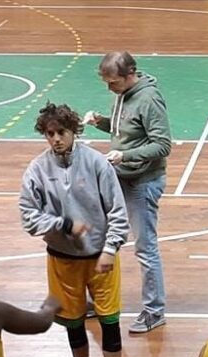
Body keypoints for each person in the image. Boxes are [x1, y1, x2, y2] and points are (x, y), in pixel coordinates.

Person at [19, 102, 135, 357]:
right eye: (50, 133)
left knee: (110, 323)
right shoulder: (37, 169)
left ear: (74, 131)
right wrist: (63, 225)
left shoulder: (98, 164)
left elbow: (118, 212)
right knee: (74, 326)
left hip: (101, 258)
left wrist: (111, 248)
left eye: (61, 132)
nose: (55, 138)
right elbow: (28, 216)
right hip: (62, 259)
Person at [83, 51, 172, 334]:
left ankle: (154, 311)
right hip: (120, 178)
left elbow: (162, 144)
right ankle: (100, 301)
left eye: (113, 83)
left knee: (145, 248)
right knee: (101, 237)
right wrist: (101, 122)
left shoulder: (149, 99)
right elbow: (127, 128)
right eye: (107, 83)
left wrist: (125, 155)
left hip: (142, 182)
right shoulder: (123, 93)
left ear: (130, 74)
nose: (110, 88)